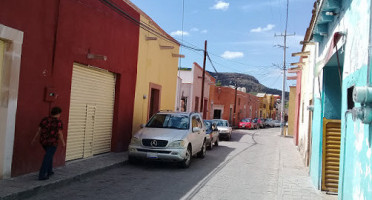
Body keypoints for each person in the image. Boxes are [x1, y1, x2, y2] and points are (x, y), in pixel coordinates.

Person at [31, 106, 65, 180]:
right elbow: (60, 133)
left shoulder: (44, 120)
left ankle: (50, 171)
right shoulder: (58, 122)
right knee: (47, 157)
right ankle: (42, 175)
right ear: (58, 113)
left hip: (43, 141)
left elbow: (39, 130)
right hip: (53, 142)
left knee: (49, 155)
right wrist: (63, 142)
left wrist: (34, 139)